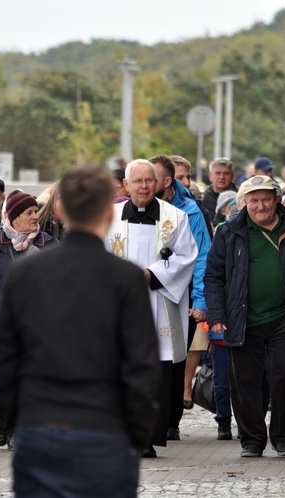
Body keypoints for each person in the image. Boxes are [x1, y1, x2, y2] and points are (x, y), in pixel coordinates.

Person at [0, 167, 161, 498]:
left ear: (58, 210)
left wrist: (17, 417)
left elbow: (2, 358)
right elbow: (143, 364)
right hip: (105, 427)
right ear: (111, 211)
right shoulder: (125, 278)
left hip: (40, 426)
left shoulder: (25, 272)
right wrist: (137, 433)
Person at [204, 174, 285, 458]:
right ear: (244, 202)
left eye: (266, 199)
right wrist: (217, 314)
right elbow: (213, 277)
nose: (260, 206)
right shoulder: (228, 231)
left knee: (284, 376)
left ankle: (283, 437)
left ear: (276, 199)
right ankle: (252, 440)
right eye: (254, 200)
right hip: (243, 316)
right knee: (245, 381)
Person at [105, 159, 197, 458]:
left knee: (155, 372)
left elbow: (187, 256)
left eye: (149, 180)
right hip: (121, 304)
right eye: (138, 181)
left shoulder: (176, 217)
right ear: (127, 185)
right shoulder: (110, 216)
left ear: (157, 183)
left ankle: (147, 437)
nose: (143, 186)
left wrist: (152, 273)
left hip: (159, 302)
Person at [0, 192, 58, 444]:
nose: (36, 217)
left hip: (36, 328)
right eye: (29, 213)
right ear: (13, 216)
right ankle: (6, 418)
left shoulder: (49, 244)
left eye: (36, 211)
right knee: (1, 385)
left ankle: (18, 428)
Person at [149, 155, 211, 441]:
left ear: (166, 181)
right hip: (146, 297)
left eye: (152, 178)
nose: (146, 184)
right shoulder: (135, 209)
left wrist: (200, 301)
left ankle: (171, 417)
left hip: (179, 298)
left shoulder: (191, 213)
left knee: (175, 361)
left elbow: (200, 259)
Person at [202, 158, 237, 226]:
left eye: (226, 173)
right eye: (218, 173)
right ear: (210, 176)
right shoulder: (202, 199)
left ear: (232, 176)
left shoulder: (241, 198)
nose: (222, 177)